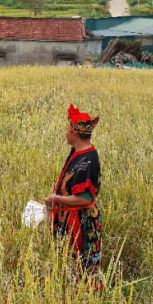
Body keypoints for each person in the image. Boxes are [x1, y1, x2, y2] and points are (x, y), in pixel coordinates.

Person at [46, 104, 103, 280]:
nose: (65, 131)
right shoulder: (78, 152)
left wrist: (56, 198)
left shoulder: (88, 160)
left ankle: (85, 300)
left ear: (74, 133)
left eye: (67, 128)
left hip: (81, 222)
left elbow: (85, 199)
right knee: (68, 266)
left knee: (82, 267)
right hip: (69, 219)